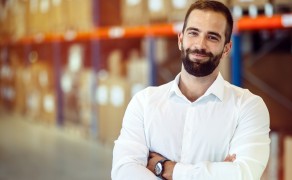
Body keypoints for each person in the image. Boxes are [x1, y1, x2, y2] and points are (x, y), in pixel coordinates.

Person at [111, 0, 270, 179]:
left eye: (212, 37)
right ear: (181, 39)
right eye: (193, 33)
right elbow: (123, 171)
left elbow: (243, 174)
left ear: (227, 49)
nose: (200, 44)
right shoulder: (144, 103)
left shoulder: (248, 107)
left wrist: (167, 169)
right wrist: (216, 173)